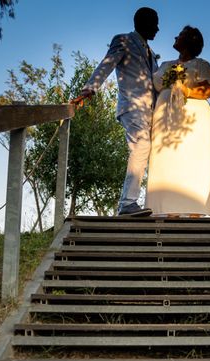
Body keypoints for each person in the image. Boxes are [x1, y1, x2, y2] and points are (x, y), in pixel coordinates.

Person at [71, 7, 159, 217]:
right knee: (141, 146)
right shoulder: (123, 40)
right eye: (155, 23)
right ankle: (127, 203)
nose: (158, 28)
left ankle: (142, 202)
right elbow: (107, 64)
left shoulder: (152, 54)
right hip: (131, 106)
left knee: (147, 153)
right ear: (143, 23)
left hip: (151, 112)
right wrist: (89, 89)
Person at [144, 26, 210, 217]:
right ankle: (168, 210)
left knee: (193, 159)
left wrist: (187, 91)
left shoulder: (201, 64)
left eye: (180, 35)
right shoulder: (165, 65)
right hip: (165, 116)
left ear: (190, 41)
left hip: (194, 118)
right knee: (167, 159)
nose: (175, 36)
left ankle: (196, 211)